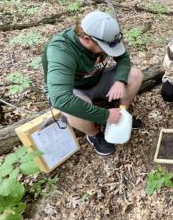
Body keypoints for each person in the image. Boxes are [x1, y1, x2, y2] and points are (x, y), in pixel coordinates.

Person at [42, 11, 144, 156]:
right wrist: (105, 115)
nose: (109, 51)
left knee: (134, 75)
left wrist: (120, 81)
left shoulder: (106, 36)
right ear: (86, 38)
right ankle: (94, 134)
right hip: (75, 89)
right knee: (72, 108)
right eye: (106, 48)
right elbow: (60, 99)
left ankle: (122, 115)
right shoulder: (61, 50)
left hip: (97, 79)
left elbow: (123, 58)